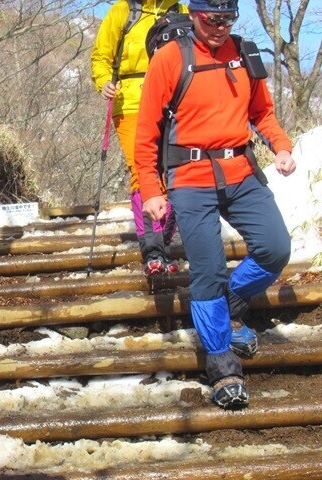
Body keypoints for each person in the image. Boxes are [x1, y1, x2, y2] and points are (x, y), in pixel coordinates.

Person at [134, 0, 296, 409]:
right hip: (189, 179)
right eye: (213, 19)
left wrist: (280, 146)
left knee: (275, 247)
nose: (221, 27)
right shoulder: (172, 58)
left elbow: (262, 111)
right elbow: (147, 131)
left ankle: (227, 307)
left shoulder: (244, 53)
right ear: (194, 14)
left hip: (241, 170)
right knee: (207, 271)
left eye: (228, 19)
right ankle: (222, 369)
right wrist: (152, 189)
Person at [90, 0, 188, 277]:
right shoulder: (124, 9)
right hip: (130, 100)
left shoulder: (179, 11)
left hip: (172, 100)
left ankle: (163, 241)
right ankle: (153, 249)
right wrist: (103, 81)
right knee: (141, 169)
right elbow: (101, 55)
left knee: (171, 171)